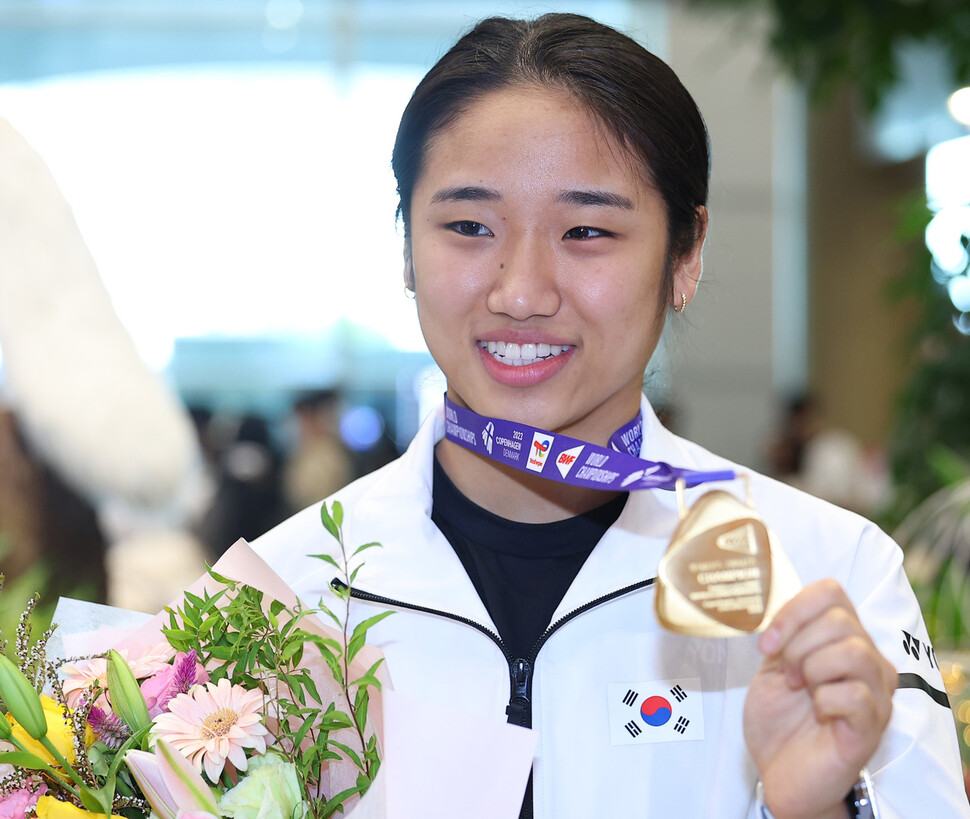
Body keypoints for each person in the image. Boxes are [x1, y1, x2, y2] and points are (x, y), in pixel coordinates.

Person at [253, 13, 968, 818]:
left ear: (685, 254)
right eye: (467, 226)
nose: (520, 292)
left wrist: (817, 805)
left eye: (587, 229)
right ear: (405, 246)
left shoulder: (829, 577)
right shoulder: (282, 594)